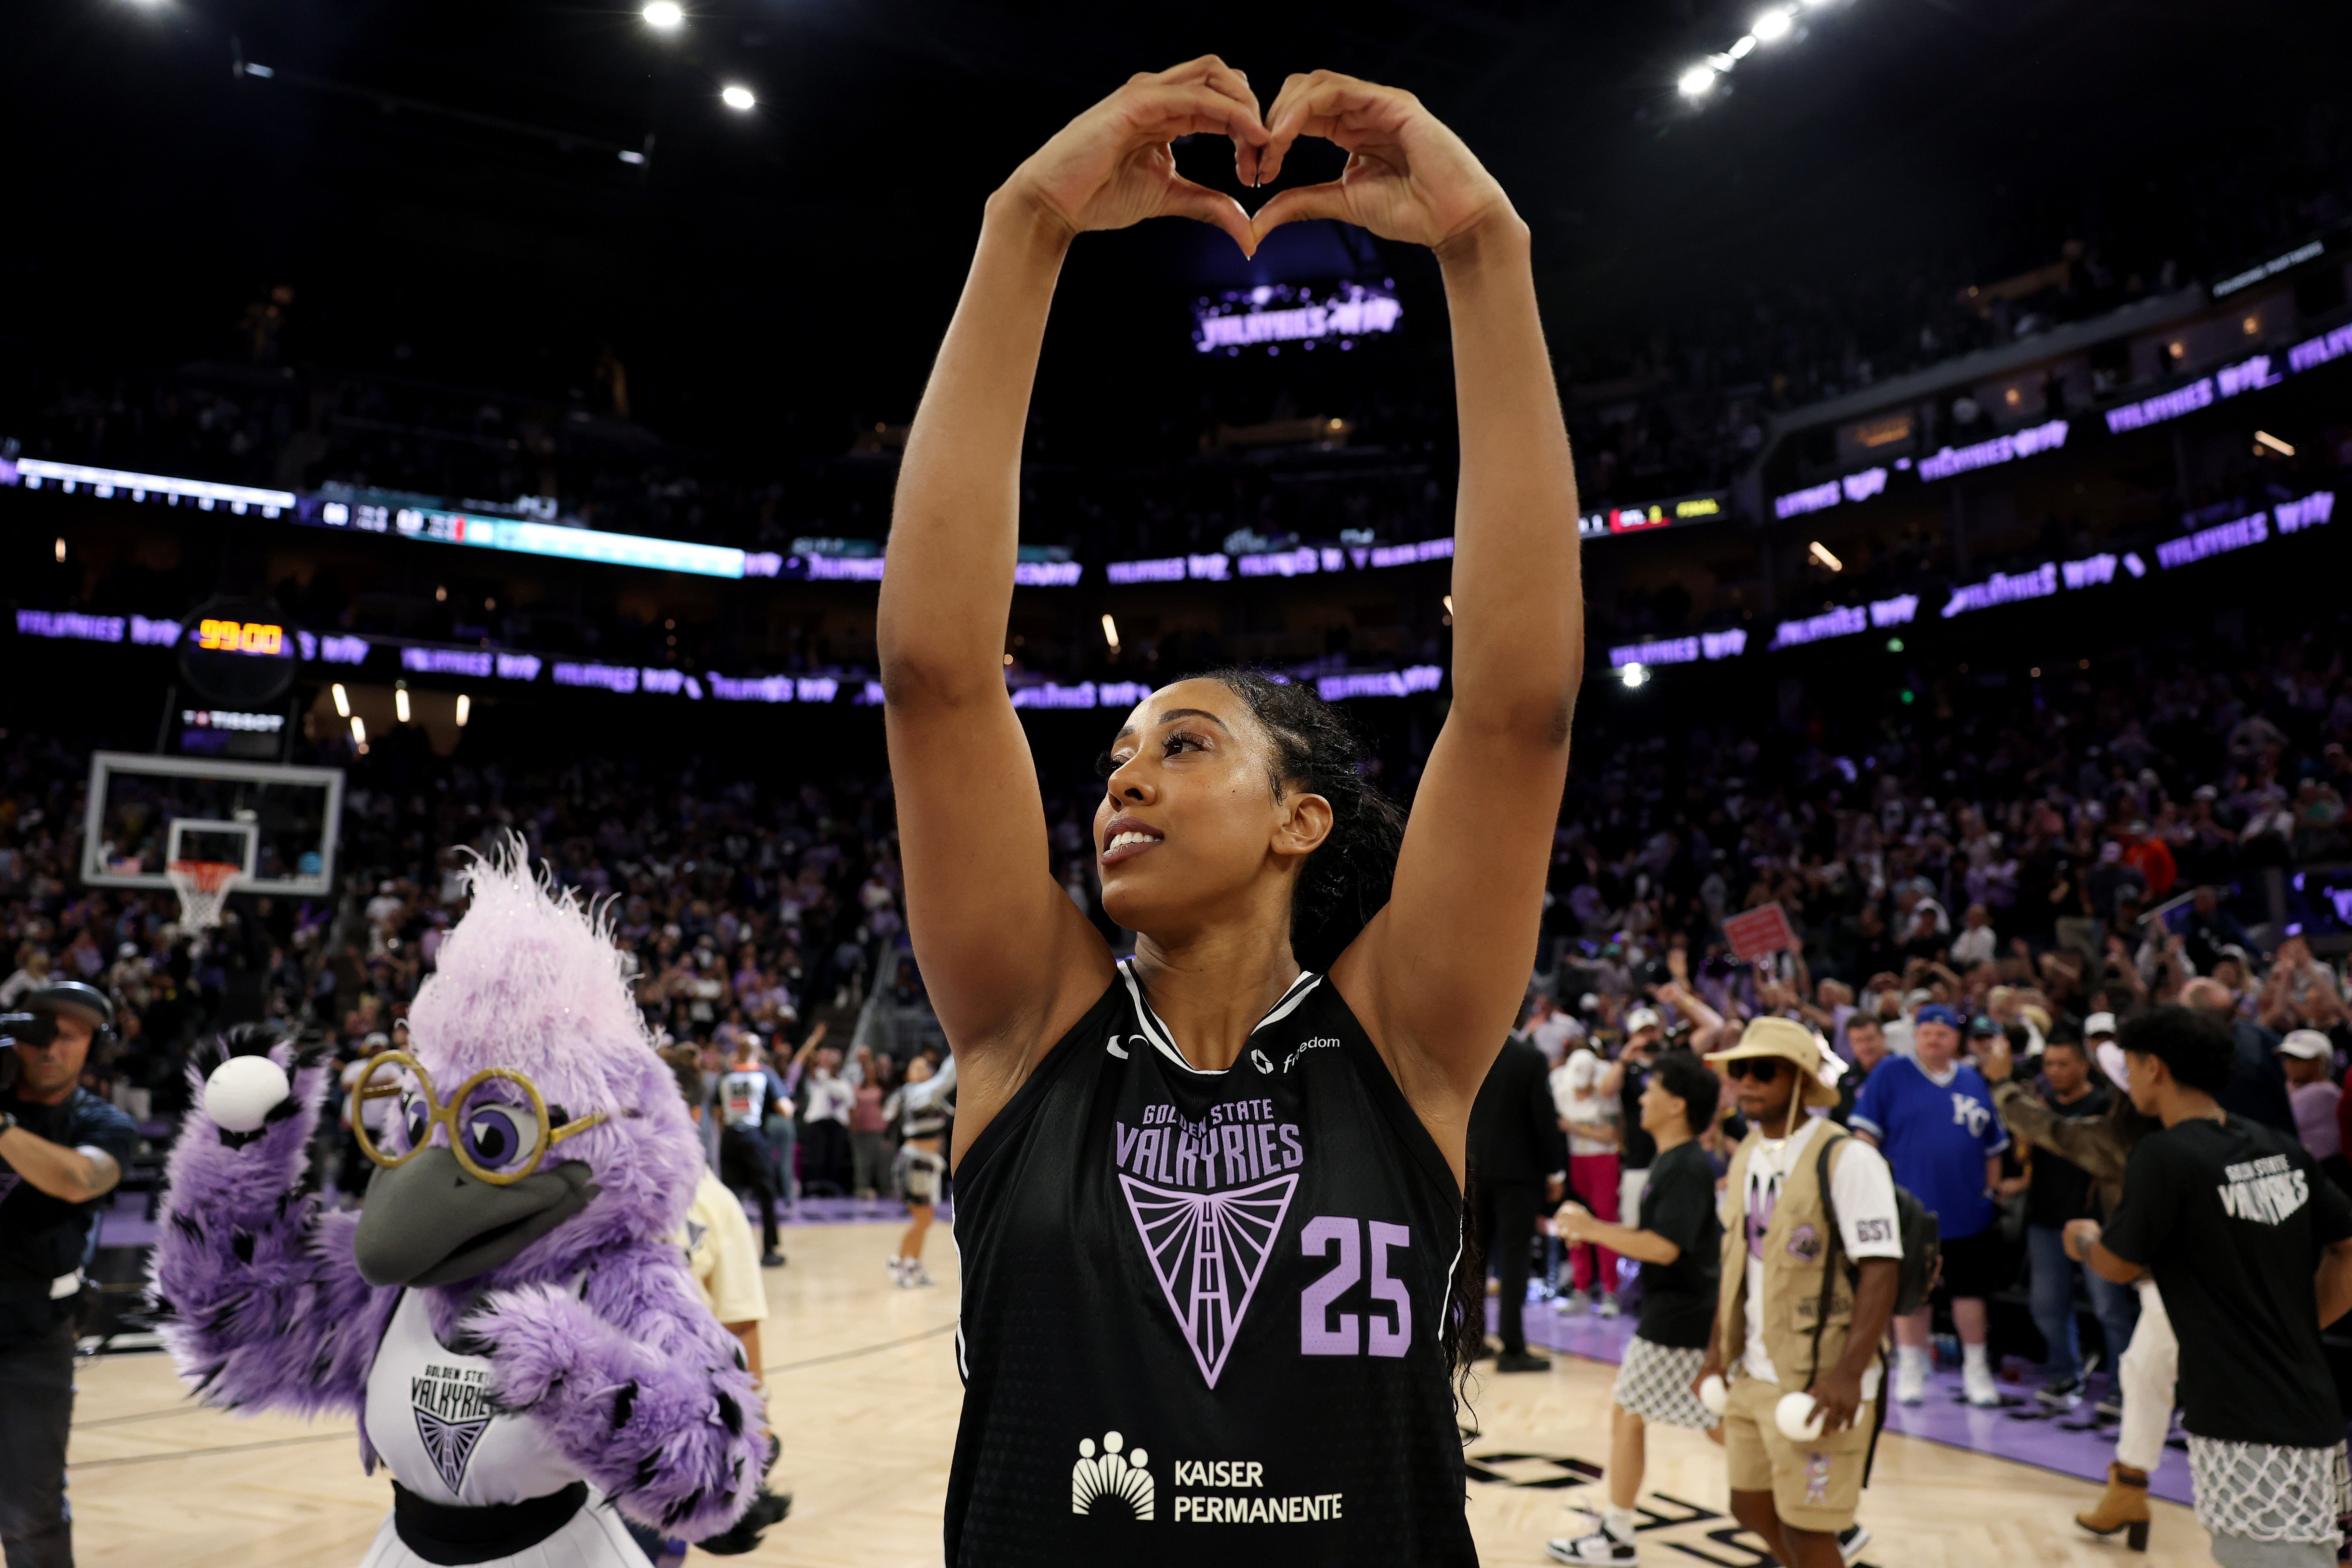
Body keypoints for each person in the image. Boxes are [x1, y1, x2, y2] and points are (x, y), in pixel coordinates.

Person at [878, 58, 1579, 1563]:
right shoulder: (1027, 1023)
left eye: (1182, 745)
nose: (1121, 775)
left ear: (1298, 820)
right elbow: (937, 674)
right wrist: (1022, 229)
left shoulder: (1406, 1035)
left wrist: (1484, 253)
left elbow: (1516, 709)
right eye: (1118, 753)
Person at [2065, 1006, 2352, 1568]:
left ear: (2154, 1069)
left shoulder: (2165, 1155)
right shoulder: (2279, 1146)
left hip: (2241, 1415)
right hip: (2315, 1404)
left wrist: (2081, 1240)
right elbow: (2349, 1248)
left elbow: (2119, 1265)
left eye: (2128, 1064)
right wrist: (2297, 1326)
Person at [1692, 1018, 1901, 1568]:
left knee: (1810, 1531)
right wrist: (1717, 1352)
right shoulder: (1745, 1157)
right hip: (1754, 1371)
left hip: (1820, 1379)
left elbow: (1882, 1268)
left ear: (1803, 1081)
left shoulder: (1847, 1158)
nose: (1749, 1083)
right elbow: (1735, 1267)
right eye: (1741, 1071)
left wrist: (1850, 1374)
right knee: (1748, 1505)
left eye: (1766, 1071)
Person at [1974, 1030, 2165, 1550]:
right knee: (2143, 1374)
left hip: (2174, 1284)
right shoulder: (2218, 1132)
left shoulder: (2121, 1135)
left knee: (2153, 1372)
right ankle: (2128, 1492)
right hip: (2166, 1282)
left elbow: (2048, 1128)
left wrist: (2004, 1086)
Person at [1544, 1051, 1722, 1565]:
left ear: (1677, 1105)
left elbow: (1665, 1247)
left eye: (1652, 1089)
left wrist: (1593, 1229)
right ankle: (1803, 1498)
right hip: (1678, 1310)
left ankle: (1617, 1533)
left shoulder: (1686, 1165)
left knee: (1636, 1412)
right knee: (1709, 1420)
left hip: (1680, 1314)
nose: (1641, 1097)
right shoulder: (1673, 1161)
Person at [0, 984, 138, 1568]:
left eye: (71, 1035)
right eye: (41, 1032)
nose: (51, 1047)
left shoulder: (104, 1123)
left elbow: (79, 1179)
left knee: (31, 1514)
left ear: (95, 1048)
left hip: (33, 1338)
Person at [1850, 1002, 2010, 1406]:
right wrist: (1869, 1187)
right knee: (1912, 1293)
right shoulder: (1891, 1073)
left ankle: (1977, 1369)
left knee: (1970, 1294)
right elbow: (1864, 1136)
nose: (1934, 1038)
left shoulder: (1973, 1080)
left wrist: (1990, 1192)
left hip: (1967, 1211)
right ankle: (1911, 1367)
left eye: (1942, 1032)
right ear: (1915, 1036)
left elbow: (1995, 1145)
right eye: (1926, 1032)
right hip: (1908, 1211)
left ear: (1955, 1039)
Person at [2006, 1036, 2124, 1405]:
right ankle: (2066, 1375)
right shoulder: (2039, 1111)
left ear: (2084, 1066)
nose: (2054, 1072)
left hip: (2095, 1222)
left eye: (2063, 1064)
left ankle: (2124, 1390)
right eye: (2050, 1065)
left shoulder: (2104, 1108)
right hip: (2046, 1219)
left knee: (2110, 1310)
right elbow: (2024, 1159)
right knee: (2047, 1306)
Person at [1468, 1027, 1569, 1370]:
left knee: (1473, 1261)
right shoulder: (1530, 1059)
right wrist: (1554, 1171)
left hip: (1472, 1171)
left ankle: (1472, 1343)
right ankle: (1513, 1349)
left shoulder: (1469, 1050)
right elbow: (1544, 1121)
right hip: (1519, 1175)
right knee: (1515, 1261)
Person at [1553, 1047, 1623, 1315]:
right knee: (1575, 1221)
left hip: (1603, 1160)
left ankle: (1610, 1290)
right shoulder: (1561, 1087)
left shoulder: (1606, 1091)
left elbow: (1611, 1135)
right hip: (1576, 1160)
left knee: (1605, 1221)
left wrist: (1574, 1127)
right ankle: (1581, 1286)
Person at [882, 1053, 955, 1288]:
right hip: (915, 1161)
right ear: (908, 1075)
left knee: (927, 1219)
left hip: (929, 1162)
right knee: (921, 1219)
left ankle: (915, 1263)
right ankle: (898, 1261)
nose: (923, 1071)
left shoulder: (929, 1095)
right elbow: (947, 1078)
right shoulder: (917, 1093)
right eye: (917, 1067)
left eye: (926, 1067)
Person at [718, 1036, 791, 1267]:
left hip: (730, 1139)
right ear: (758, 1051)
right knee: (766, 1195)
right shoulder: (765, 1074)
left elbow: (717, 1112)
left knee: (732, 1197)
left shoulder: (726, 1076)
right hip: (755, 1139)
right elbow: (785, 1109)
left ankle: (730, 1252)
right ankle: (769, 1250)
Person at [2276, 1029, 2347, 1190]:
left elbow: (2279, 1120)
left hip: (2326, 1175)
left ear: (2321, 1062)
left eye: (2299, 1059)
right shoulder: (2289, 1087)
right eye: (2287, 1058)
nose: (2290, 1064)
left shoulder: (2325, 1093)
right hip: (2299, 1171)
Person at [1829, 1013, 1888, 1128]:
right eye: (1858, 1041)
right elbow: (1837, 1125)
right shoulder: (1845, 1082)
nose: (1866, 1047)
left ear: (1883, 1037)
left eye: (1870, 1039)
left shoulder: (1904, 1072)